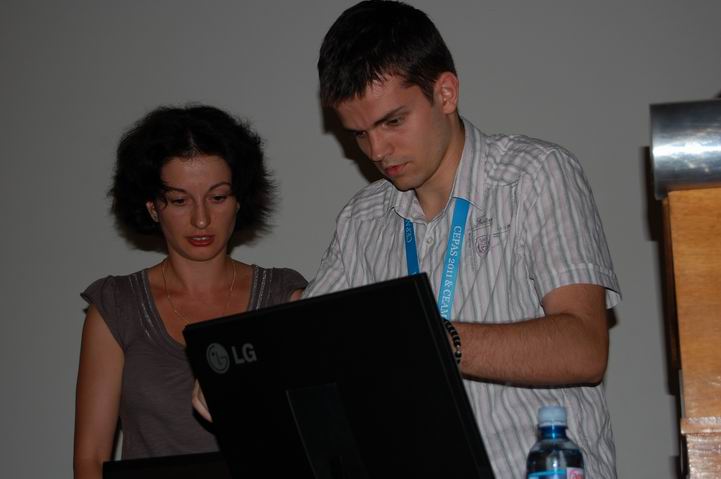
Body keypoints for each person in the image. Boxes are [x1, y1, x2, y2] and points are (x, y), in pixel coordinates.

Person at [303, 1, 621, 477]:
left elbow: (585, 349)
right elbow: (309, 347)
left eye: (393, 121)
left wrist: (432, 340)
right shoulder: (359, 221)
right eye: (359, 134)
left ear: (446, 93)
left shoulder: (535, 175)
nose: (377, 150)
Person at [73, 105, 307, 479]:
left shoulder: (282, 297)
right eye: (180, 201)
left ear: (239, 199)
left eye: (217, 197)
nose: (201, 219)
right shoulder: (117, 307)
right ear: (153, 207)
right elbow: (91, 458)